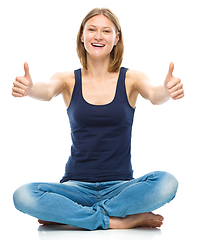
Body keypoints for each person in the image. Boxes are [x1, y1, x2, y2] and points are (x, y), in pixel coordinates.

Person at [12, 8, 184, 230]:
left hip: (121, 188)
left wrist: (167, 90)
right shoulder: (67, 79)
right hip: (75, 188)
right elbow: (45, 91)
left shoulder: (131, 78)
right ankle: (119, 221)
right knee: (24, 195)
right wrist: (29, 88)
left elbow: (154, 94)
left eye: (106, 31)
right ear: (82, 36)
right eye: (92, 29)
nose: (98, 36)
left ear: (116, 38)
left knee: (167, 182)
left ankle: (72, 216)